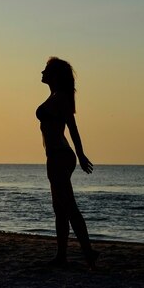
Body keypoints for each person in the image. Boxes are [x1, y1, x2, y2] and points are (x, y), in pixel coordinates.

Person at [36, 57, 99, 269]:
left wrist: (81, 155)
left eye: (46, 70)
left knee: (69, 207)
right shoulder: (55, 96)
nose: (42, 72)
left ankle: (88, 253)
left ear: (55, 75)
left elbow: (72, 128)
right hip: (54, 156)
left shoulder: (61, 98)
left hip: (60, 156)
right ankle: (61, 255)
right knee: (59, 208)